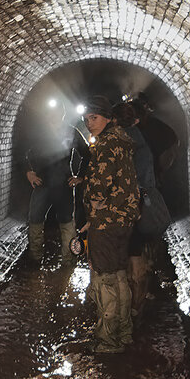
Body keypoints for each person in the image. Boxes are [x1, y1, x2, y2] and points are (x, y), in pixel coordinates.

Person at [76, 96, 139, 353]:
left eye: (95, 118)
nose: (90, 123)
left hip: (108, 221)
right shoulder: (121, 141)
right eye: (87, 119)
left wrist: (92, 215)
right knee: (120, 276)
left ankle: (108, 339)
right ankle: (124, 332)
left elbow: (99, 187)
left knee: (105, 280)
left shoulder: (105, 145)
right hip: (124, 219)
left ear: (109, 118)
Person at [114, 100, 172, 313]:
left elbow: (134, 179)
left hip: (134, 207)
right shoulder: (139, 139)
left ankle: (135, 307)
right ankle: (137, 302)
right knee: (138, 256)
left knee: (134, 259)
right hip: (140, 204)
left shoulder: (129, 143)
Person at [22, 102, 84, 266]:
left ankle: (68, 261)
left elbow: (87, 154)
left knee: (67, 223)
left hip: (64, 185)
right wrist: (28, 172)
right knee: (35, 220)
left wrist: (81, 176)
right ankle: (35, 258)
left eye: (58, 113)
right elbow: (22, 151)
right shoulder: (38, 133)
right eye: (51, 113)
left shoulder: (72, 131)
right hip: (42, 183)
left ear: (63, 114)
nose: (55, 116)